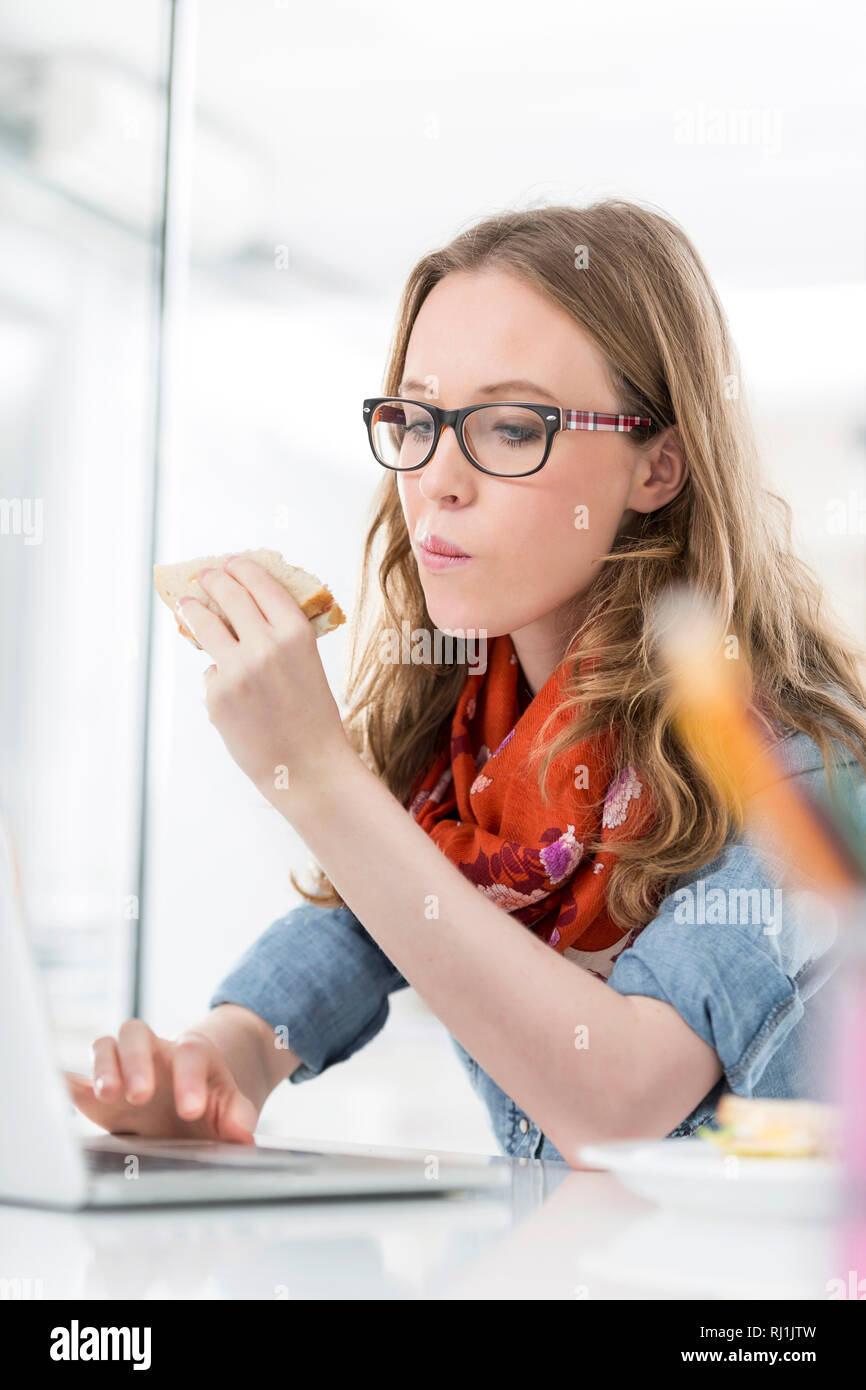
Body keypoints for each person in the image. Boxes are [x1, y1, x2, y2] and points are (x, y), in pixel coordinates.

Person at [67, 199, 866, 1166]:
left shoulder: (807, 774)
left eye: (511, 426)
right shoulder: (469, 746)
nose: (437, 477)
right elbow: (365, 922)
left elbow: (618, 1101)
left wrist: (316, 776)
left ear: (660, 466)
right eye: (417, 418)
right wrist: (221, 1061)